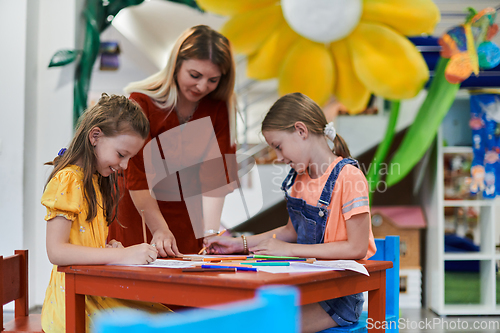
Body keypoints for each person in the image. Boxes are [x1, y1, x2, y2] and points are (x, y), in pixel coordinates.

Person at [205, 92, 377, 332]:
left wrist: (288, 251)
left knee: (264, 326)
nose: (278, 157)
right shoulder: (299, 179)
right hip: (303, 287)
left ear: (301, 131)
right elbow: (290, 232)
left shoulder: (350, 177)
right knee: (239, 316)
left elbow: (356, 248)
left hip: (338, 298)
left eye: (278, 146)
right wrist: (239, 244)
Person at [41, 94, 171, 333]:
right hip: (73, 303)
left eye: (129, 158)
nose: (124, 166)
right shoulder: (68, 179)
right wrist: (120, 257)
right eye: (122, 155)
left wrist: (108, 250)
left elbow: (81, 243)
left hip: (88, 292)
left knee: (167, 319)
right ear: (95, 136)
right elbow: (56, 251)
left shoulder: (94, 179)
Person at [107, 24, 238, 256]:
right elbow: (137, 178)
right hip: (138, 210)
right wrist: (159, 229)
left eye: (213, 80)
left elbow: (215, 179)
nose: (202, 86)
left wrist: (209, 232)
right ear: (176, 65)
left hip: (186, 214)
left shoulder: (218, 109)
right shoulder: (142, 103)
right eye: (194, 75)